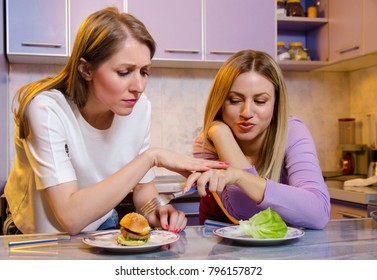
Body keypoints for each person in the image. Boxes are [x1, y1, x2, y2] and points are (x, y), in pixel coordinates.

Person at [3, 7, 228, 235]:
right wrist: (152, 157)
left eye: (144, 72)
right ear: (86, 69)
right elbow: (70, 217)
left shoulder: (140, 109)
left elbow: (143, 189)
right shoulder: (47, 110)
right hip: (37, 238)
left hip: (101, 226)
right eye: (124, 72)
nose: (138, 87)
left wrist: (158, 210)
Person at [189, 50, 330, 230]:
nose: (247, 112)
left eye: (261, 101)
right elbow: (247, 215)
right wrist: (220, 133)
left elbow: (318, 214)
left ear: (276, 104)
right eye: (234, 100)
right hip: (223, 250)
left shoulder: (293, 132)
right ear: (220, 103)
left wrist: (240, 177)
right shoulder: (208, 143)